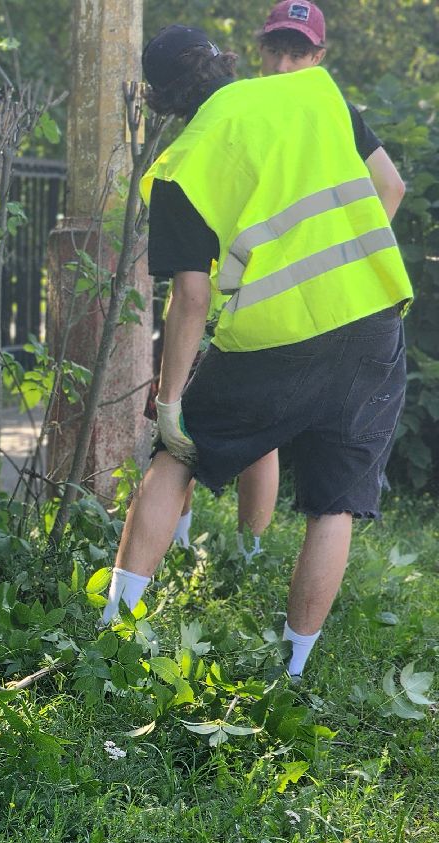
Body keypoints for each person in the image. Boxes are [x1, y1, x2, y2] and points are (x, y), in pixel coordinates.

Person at [100, 24, 411, 683]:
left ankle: (114, 630)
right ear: (225, 60)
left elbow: (189, 299)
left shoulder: (182, 164)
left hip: (275, 338)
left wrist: (171, 401)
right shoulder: (317, 92)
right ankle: (294, 670)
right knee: (336, 501)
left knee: (174, 458)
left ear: (159, 100)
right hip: (375, 318)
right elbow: (391, 185)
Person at [156, 0, 406, 560]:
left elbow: (389, 188)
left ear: (320, 56)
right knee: (263, 437)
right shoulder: (276, 106)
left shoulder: (313, 102)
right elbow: (388, 187)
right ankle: (243, 551)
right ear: (260, 49)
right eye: (278, 50)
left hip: (270, 303)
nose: (286, 64)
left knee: (191, 431)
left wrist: (339, 250)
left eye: (300, 53)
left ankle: (245, 548)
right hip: (301, 300)